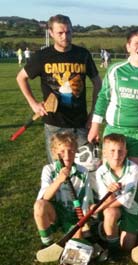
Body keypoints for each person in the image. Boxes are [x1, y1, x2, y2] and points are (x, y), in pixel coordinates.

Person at [88, 29, 138, 215]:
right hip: (115, 131)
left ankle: (134, 221)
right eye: (136, 43)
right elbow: (103, 98)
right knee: (110, 179)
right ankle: (109, 220)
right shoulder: (115, 70)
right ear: (128, 47)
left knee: (137, 182)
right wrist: (95, 126)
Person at [16, 14, 102, 162]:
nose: (65, 37)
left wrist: (93, 114)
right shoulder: (42, 56)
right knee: (59, 171)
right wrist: (33, 103)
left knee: (88, 168)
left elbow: (98, 83)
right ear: (51, 33)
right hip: (54, 125)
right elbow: (20, 77)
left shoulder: (83, 54)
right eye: (60, 33)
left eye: (68, 32)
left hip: (80, 122)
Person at [33, 132, 92, 247]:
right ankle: (47, 243)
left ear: (75, 151)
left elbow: (86, 200)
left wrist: (84, 224)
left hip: (75, 215)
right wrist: (59, 180)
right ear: (54, 152)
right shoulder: (49, 169)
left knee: (78, 244)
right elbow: (45, 197)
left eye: (71, 151)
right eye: (62, 151)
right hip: (56, 213)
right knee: (39, 205)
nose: (67, 155)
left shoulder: (83, 171)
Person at [94, 133, 138, 252]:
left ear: (125, 152)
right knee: (110, 213)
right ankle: (113, 250)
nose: (116, 155)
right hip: (112, 207)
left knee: (127, 246)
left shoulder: (134, 168)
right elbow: (106, 199)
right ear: (104, 152)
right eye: (112, 151)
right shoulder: (101, 172)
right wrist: (110, 194)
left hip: (131, 207)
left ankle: (114, 227)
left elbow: (126, 198)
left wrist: (98, 209)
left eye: (120, 151)